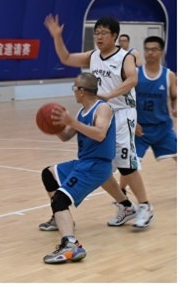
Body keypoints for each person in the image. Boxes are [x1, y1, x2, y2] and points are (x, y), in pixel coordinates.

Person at [44, 14, 154, 229]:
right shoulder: (93, 55)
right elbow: (66, 58)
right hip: (99, 111)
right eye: (97, 33)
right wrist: (57, 37)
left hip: (122, 112)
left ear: (114, 35)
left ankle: (145, 206)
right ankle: (126, 207)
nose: (99, 37)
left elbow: (133, 79)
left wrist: (109, 95)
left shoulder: (125, 57)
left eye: (104, 33)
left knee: (125, 163)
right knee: (99, 165)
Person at [39, 72, 116, 264]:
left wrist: (72, 122)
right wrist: (55, 127)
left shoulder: (103, 108)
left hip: (96, 165)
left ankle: (70, 245)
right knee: (48, 174)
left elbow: (100, 134)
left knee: (60, 199)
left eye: (74, 88)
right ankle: (60, 218)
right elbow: (66, 136)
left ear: (81, 91)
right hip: (84, 162)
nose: (73, 91)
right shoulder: (82, 112)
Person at [127, 36, 176, 168]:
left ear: (162, 52)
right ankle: (123, 184)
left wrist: (175, 107)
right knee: (130, 166)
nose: (150, 52)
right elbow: (126, 100)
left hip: (162, 128)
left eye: (154, 49)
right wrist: (133, 121)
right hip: (140, 129)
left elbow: (175, 96)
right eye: (147, 49)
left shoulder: (169, 75)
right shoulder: (135, 73)